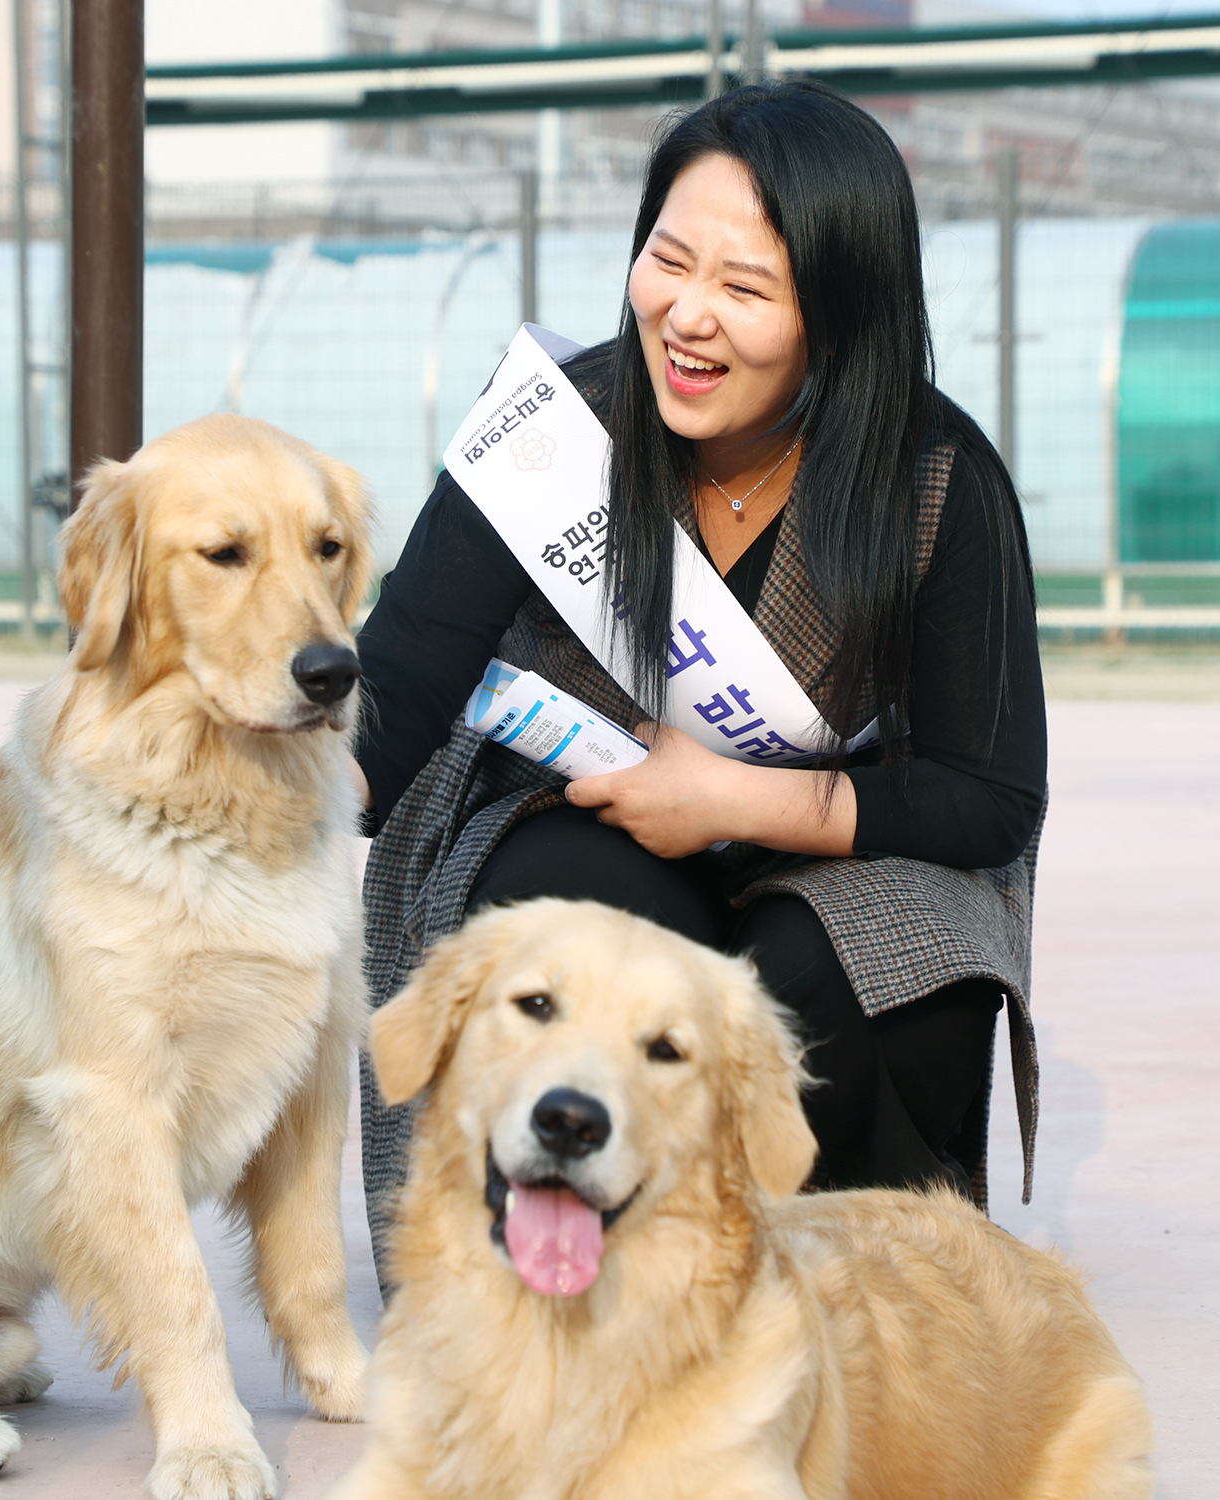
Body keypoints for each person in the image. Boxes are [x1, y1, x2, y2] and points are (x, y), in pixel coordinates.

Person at [353, 82, 1047, 1277]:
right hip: (583, 815)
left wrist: (733, 799)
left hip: (841, 841)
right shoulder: (556, 434)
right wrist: (228, 806)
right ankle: (539, 1257)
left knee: (801, 983)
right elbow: (398, 688)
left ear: (839, 315)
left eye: (745, 289)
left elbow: (990, 795)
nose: (688, 315)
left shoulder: (937, 480)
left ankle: (856, 1268)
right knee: (574, 932)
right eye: (668, 261)